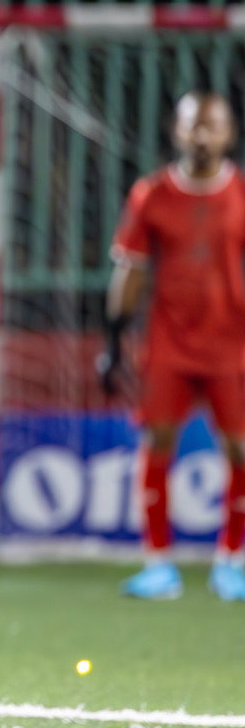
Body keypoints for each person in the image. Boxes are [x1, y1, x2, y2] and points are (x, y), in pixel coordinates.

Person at [103, 92, 245, 602]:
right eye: (193, 126)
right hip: (169, 343)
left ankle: (232, 560)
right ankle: (158, 563)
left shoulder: (241, 194)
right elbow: (131, 270)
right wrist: (114, 339)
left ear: (230, 132)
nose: (202, 136)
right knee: (156, 442)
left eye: (213, 126)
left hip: (232, 344)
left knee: (241, 448)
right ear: (177, 130)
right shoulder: (153, 194)